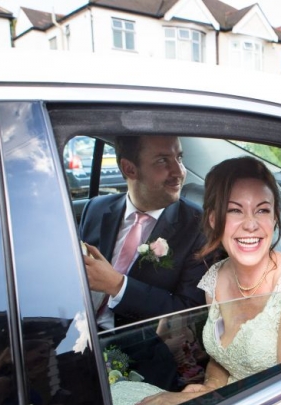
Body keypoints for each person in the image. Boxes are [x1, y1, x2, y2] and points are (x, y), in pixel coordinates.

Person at [113, 156, 281, 405]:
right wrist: (211, 386)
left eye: (262, 210)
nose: (251, 224)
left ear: (274, 219)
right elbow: (223, 358)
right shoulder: (215, 278)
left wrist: (204, 400)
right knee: (120, 400)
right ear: (214, 219)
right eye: (235, 210)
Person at [79, 135, 208, 330]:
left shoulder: (197, 225)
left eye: (179, 159)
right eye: (162, 160)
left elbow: (189, 312)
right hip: (79, 331)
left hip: (138, 347)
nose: (179, 172)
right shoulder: (95, 209)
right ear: (129, 169)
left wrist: (118, 286)